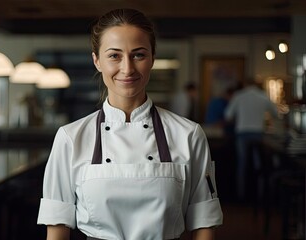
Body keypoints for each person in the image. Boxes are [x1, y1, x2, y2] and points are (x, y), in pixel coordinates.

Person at [37, 8, 223, 240]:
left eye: (138, 55)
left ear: (152, 58)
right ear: (97, 61)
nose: (127, 68)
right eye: (114, 55)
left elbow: (204, 222)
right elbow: (57, 227)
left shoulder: (188, 134)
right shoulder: (70, 137)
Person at [224, 78, 279, 201]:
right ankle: (260, 196)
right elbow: (276, 113)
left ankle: (241, 195)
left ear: (245, 84)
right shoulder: (263, 96)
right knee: (258, 164)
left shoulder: (239, 96)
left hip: (242, 132)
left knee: (241, 164)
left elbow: (228, 115)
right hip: (257, 133)